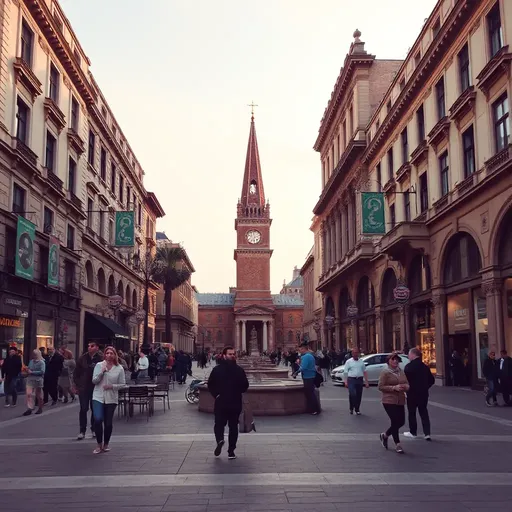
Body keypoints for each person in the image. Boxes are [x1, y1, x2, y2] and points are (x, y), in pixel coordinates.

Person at [207, 346, 249, 460]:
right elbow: (245, 386)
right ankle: (231, 451)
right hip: (234, 402)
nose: (232, 355)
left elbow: (210, 384)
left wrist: (216, 394)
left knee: (220, 424)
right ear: (224, 355)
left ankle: (220, 439)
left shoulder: (217, 369)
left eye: (233, 354)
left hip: (222, 402)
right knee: (233, 427)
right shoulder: (239, 370)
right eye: (230, 354)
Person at [91, 346, 126, 454]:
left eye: (111, 353)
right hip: (98, 397)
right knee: (98, 419)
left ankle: (106, 444)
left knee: (108, 423)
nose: (109, 355)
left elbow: (123, 384)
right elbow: (94, 381)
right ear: (104, 355)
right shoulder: (99, 365)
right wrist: (101, 372)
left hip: (111, 398)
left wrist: (112, 386)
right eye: (107, 353)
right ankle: (98, 444)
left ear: (114, 355)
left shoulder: (119, 368)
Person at [378, 353, 409, 454]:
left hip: (400, 399)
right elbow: (380, 387)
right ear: (389, 361)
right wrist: (393, 388)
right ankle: (398, 444)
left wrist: (407, 387)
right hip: (389, 400)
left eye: (397, 360)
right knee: (395, 421)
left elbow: (406, 383)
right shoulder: (385, 372)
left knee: (401, 422)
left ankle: (385, 435)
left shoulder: (401, 371)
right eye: (393, 359)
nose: (395, 361)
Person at [403, 347, 435, 441]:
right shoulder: (425, 367)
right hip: (423, 394)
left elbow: (405, 380)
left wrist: (406, 389)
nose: (408, 357)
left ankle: (413, 432)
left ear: (413, 355)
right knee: (423, 412)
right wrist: (425, 387)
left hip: (412, 393)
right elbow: (432, 380)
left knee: (412, 412)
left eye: (409, 355)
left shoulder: (409, 367)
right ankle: (427, 433)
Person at [73, 342, 104, 440]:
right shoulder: (82, 359)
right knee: (83, 409)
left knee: (94, 409)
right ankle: (82, 430)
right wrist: (77, 385)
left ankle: (94, 429)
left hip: (96, 387)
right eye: (88, 346)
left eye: (92, 346)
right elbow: (76, 373)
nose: (89, 348)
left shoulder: (100, 358)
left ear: (97, 347)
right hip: (84, 387)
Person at [293, 341, 321, 415]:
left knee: (310, 393)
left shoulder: (306, 356)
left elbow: (303, 367)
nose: (300, 351)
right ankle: (315, 409)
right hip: (311, 376)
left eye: (300, 349)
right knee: (311, 392)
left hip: (308, 377)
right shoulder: (310, 356)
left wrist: (296, 372)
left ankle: (314, 409)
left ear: (304, 349)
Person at [343, 348, 369, 415]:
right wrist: (345, 381)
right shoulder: (348, 362)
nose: (355, 354)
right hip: (351, 379)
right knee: (352, 394)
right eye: (354, 353)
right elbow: (345, 372)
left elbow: (364, 371)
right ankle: (351, 407)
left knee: (359, 395)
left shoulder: (361, 361)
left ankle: (357, 409)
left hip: (359, 380)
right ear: (352, 354)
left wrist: (366, 381)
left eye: (357, 353)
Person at [22, 349, 46, 416]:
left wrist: (32, 372)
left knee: (38, 395)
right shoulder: (31, 361)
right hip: (30, 379)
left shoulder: (42, 362)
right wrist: (27, 369)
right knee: (29, 394)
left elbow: (42, 371)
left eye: (35, 354)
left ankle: (40, 407)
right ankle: (30, 408)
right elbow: (29, 368)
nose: (34, 355)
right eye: (33, 354)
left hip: (38, 380)